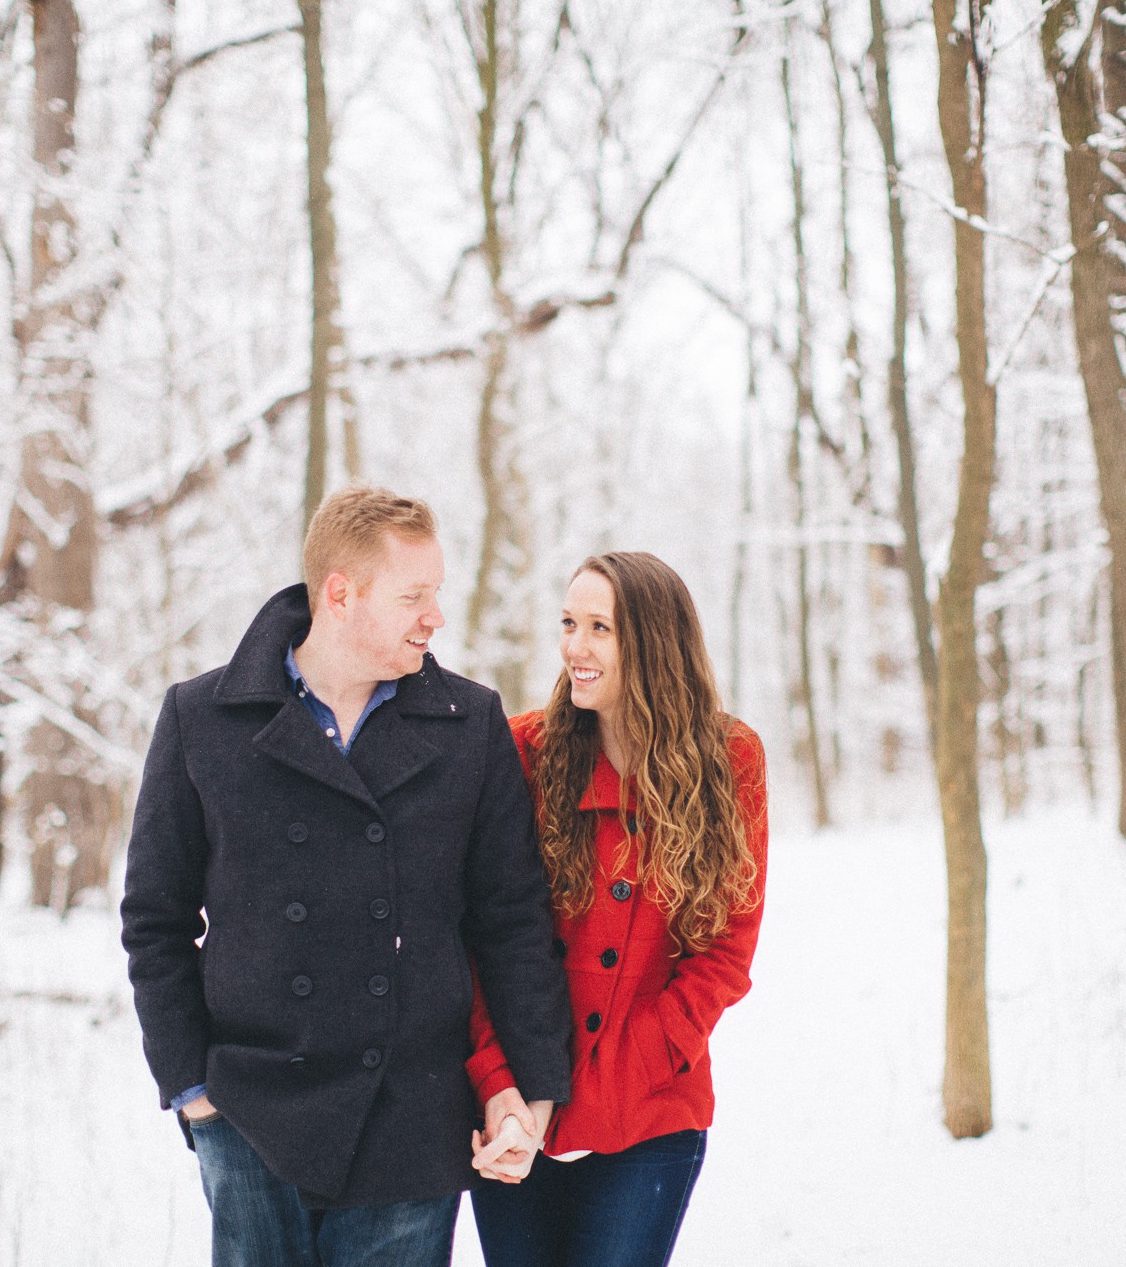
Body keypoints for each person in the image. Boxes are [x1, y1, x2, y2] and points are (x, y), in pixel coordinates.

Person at [121, 486, 572, 1266]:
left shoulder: (468, 725)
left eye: (437, 593)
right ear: (341, 594)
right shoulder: (204, 719)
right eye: (414, 596)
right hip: (253, 1113)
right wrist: (194, 1088)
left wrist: (530, 1086)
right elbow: (155, 917)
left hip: (410, 1117)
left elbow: (511, 920)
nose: (435, 616)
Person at [465, 551, 770, 1267]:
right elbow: (480, 936)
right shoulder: (522, 752)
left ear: (653, 643)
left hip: (652, 1111)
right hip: (514, 1116)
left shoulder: (730, 761)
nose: (575, 645)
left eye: (599, 627)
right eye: (569, 622)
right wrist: (503, 1084)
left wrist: (604, 1088)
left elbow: (725, 954)